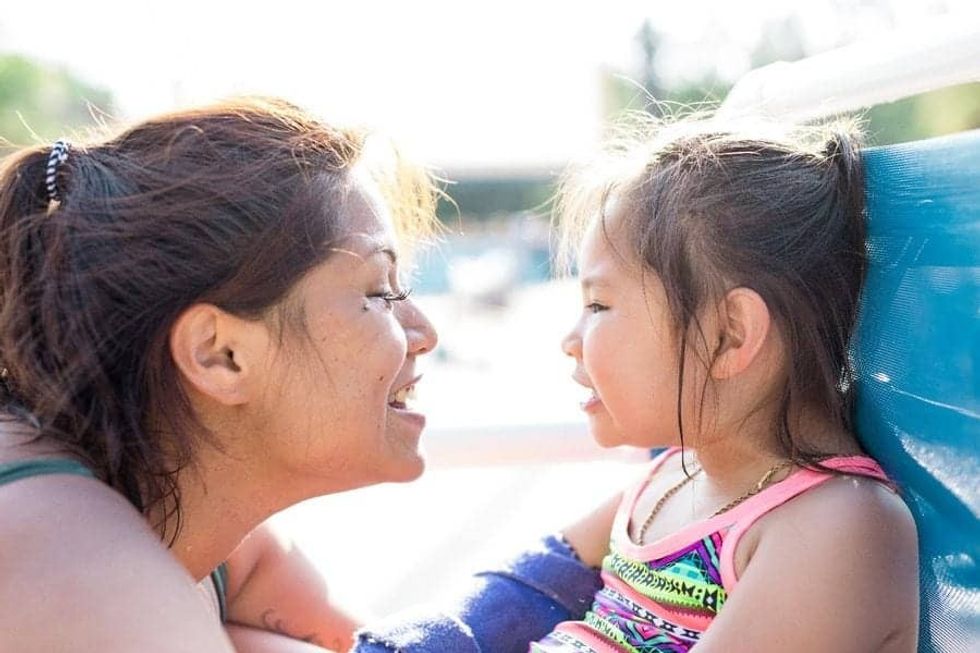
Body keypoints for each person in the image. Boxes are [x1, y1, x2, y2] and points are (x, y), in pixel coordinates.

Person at [354, 115, 920, 652]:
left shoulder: (835, 527)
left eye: (598, 304)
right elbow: (522, 589)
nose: (570, 339)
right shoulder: (674, 474)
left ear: (728, 335)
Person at [0, 97, 439, 652]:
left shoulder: (203, 532)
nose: (424, 332)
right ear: (219, 354)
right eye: (379, 292)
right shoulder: (84, 577)